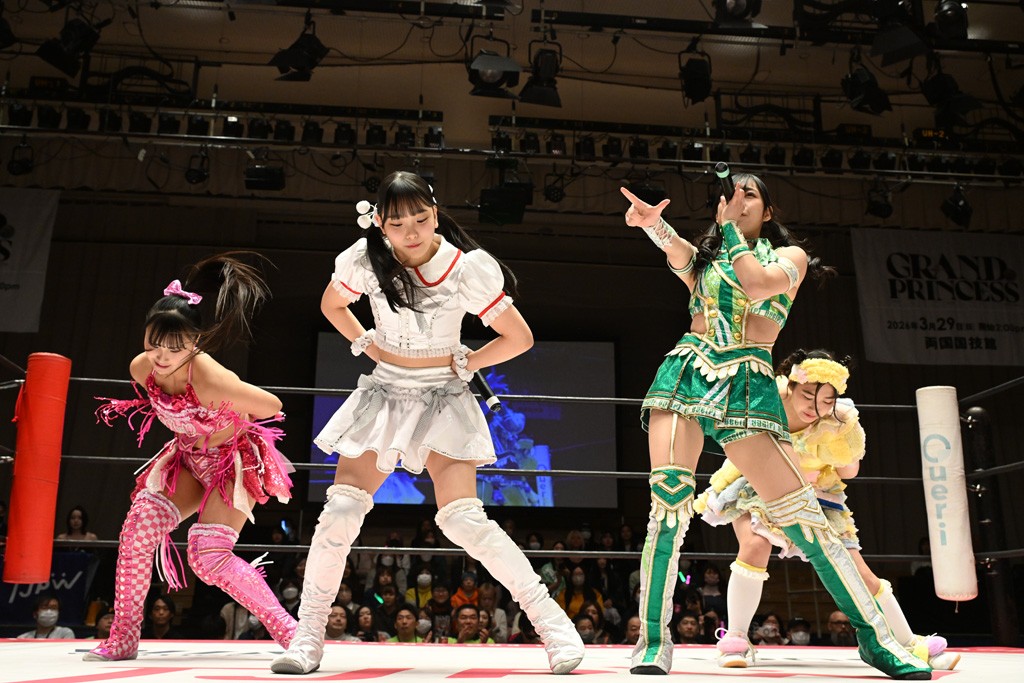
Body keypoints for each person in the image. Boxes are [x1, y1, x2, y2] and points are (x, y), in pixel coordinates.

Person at [271, 172, 583, 675]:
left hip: (443, 396)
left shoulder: (464, 268)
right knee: (339, 513)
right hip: (384, 393)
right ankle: (307, 637)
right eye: (398, 223)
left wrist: (470, 361)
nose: (411, 231)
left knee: (463, 519)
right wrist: (367, 344)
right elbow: (332, 304)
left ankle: (554, 627)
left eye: (421, 218)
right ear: (380, 223)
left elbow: (518, 337)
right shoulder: (366, 258)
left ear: (435, 215)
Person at [620, 178, 930, 679]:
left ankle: (876, 639)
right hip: (688, 371)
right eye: (731, 194)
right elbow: (678, 252)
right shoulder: (707, 260)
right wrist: (653, 225)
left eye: (750, 195)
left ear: (767, 211)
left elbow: (758, 284)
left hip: (749, 379)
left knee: (806, 519)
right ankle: (654, 642)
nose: (738, 201)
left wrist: (727, 232)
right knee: (669, 505)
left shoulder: (790, 257)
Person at [85, 254, 297, 661]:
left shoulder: (212, 378)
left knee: (208, 556)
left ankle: (293, 634)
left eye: (174, 347)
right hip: (185, 460)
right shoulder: (141, 368)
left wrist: (227, 420)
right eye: (154, 344)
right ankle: (123, 639)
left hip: (232, 462)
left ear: (195, 343)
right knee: (137, 531)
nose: (161, 356)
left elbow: (272, 405)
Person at [696, 350, 958, 670]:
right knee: (754, 544)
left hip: (815, 493)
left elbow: (849, 472)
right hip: (755, 481)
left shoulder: (838, 420)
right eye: (807, 396)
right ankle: (735, 639)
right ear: (790, 386)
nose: (815, 407)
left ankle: (907, 642)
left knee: (859, 570)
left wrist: (842, 434)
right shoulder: (765, 398)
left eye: (826, 401)